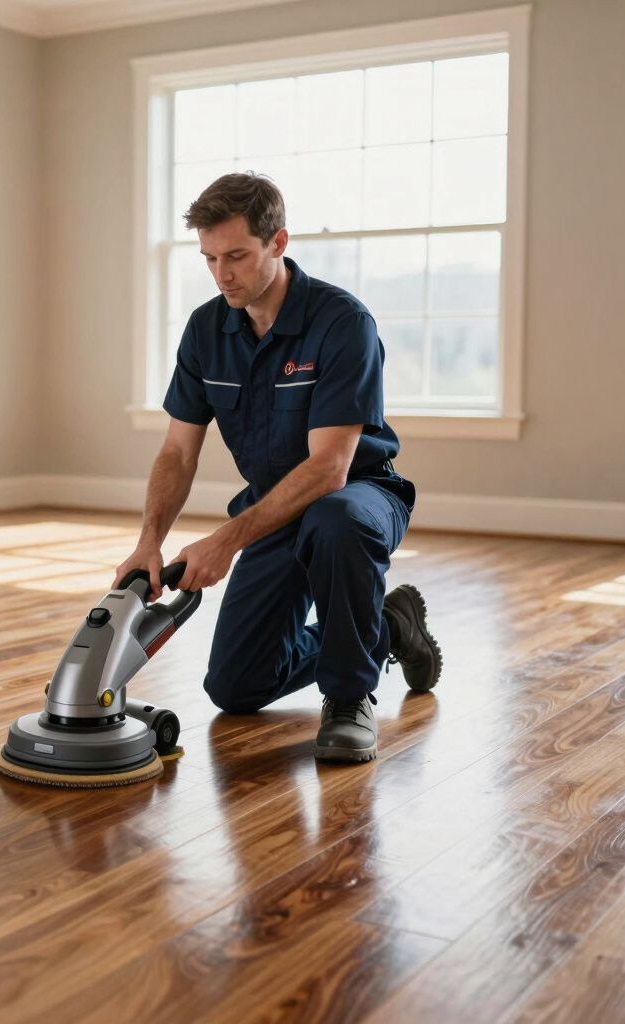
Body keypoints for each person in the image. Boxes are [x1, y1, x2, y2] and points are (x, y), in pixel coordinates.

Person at [114, 172, 442, 764]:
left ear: (279, 242)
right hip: (274, 508)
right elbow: (177, 451)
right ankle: (388, 629)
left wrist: (226, 541)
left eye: (236, 256)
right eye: (210, 259)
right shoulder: (205, 329)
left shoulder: (341, 322)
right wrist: (148, 542)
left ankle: (349, 697)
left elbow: (329, 470)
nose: (223, 274)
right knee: (236, 687)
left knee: (335, 520)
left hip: (360, 495)